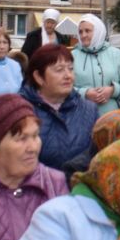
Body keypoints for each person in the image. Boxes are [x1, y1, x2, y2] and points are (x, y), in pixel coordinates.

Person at [19, 44, 100, 177]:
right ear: (39, 77)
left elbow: (97, 154)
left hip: (77, 191)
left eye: (71, 69)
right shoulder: (20, 110)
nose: (68, 76)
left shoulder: (89, 110)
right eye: (59, 70)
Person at [70, 16, 120, 117]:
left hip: (112, 117)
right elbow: (62, 88)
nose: (83, 35)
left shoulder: (115, 54)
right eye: (80, 32)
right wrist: (85, 93)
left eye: (87, 31)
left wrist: (112, 90)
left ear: (98, 31)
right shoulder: (72, 56)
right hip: (81, 117)